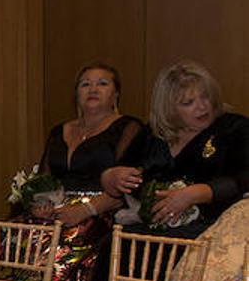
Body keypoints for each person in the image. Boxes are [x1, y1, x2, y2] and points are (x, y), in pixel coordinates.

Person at [0, 63, 145, 281]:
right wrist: (41, 203)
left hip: (101, 212)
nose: (93, 89)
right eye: (85, 84)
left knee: (56, 267)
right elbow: (45, 180)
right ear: (76, 93)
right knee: (6, 254)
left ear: (116, 94)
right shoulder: (60, 130)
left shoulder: (128, 128)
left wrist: (84, 211)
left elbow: (130, 186)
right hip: (57, 214)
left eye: (102, 83)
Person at [104, 61, 249, 236]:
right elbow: (123, 172)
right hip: (148, 232)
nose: (202, 107)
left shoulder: (234, 127)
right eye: (189, 102)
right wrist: (110, 177)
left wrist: (198, 193)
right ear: (170, 109)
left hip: (210, 232)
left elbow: (244, 179)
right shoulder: (153, 132)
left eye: (206, 97)